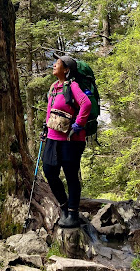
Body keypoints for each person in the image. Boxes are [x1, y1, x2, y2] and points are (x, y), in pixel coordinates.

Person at [42, 55, 91, 228]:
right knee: (49, 171)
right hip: (53, 138)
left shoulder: (73, 86)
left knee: (71, 176)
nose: (54, 65)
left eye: (58, 63)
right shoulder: (54, 87)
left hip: (72, 140)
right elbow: (50, 111)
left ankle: (73, 213)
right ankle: (63, 207)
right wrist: (46, 129)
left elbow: (86, 104)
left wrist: (78, 125)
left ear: (66, 69)